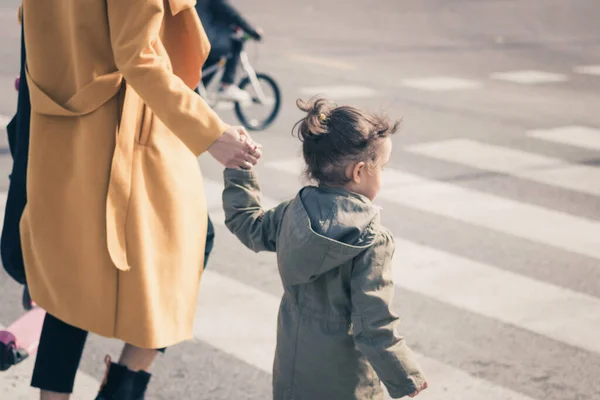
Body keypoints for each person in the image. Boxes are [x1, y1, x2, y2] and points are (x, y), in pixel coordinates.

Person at [18, 1, 261, 399]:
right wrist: (211, 133)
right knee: (190, 245)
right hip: (123, 127)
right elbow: (139, 57)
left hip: (60, 121)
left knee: (71, 277)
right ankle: (124, 387)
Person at [221, 97, 428, 399]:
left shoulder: (294, 211)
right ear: (359, 172)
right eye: (382, 167)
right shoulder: (371, 238)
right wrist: (404, 375)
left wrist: (239, 170)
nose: (383, 175)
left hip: (293, 370)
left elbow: (248, 224)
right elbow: (372, 322)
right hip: (346, 382)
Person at [195, 0, 263, 102]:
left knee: (212, 65)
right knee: (235, 44)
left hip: (196, 39)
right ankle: (227, 85)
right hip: (209, 41)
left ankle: (198, 91)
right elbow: (232, 14)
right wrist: (253, 32)